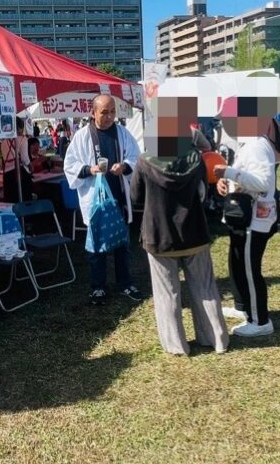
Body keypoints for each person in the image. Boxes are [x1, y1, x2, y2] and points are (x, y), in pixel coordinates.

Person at [132, 107, 228, 355]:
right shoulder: (196, 160)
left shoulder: (143, 161)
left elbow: (136, 198)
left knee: (167, 293)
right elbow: (203, 194)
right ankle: (216, 339)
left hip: (159, 235)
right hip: (194, 232)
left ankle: (177, 345)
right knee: (205, 287)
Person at [64, 94, 143, 304]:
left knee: (122, 245)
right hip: (95, 201)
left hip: (118, 197)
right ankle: (98, 287)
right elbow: (69, 165)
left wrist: (124, 166)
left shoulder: (122, 133)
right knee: (97, 246)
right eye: (104, 112)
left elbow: (136, 156)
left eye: (112, 112)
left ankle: (125, 283)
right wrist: (89, 169)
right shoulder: (82, 136)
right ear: (93, 113)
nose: (109, 117)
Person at [217, 109, 279, 337]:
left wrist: (229, 172)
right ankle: (243, 306)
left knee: (250, 268)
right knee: (239, 265)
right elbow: (242, 174)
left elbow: (262, 182)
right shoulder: (248, 143)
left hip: (255, 219)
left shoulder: (257, 145)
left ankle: (260, 320)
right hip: (244, 216)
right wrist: (225, 181)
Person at [0, 117, 34, 202]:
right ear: (17, 127)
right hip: (19, 174)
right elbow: (24, 158)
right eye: (21, 127)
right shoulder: (23, 139)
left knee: (11, 201)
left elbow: (4, 159)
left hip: (7, 175)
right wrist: (30, 166)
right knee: (24, 201)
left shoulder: (3, 141)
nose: (22, 130)